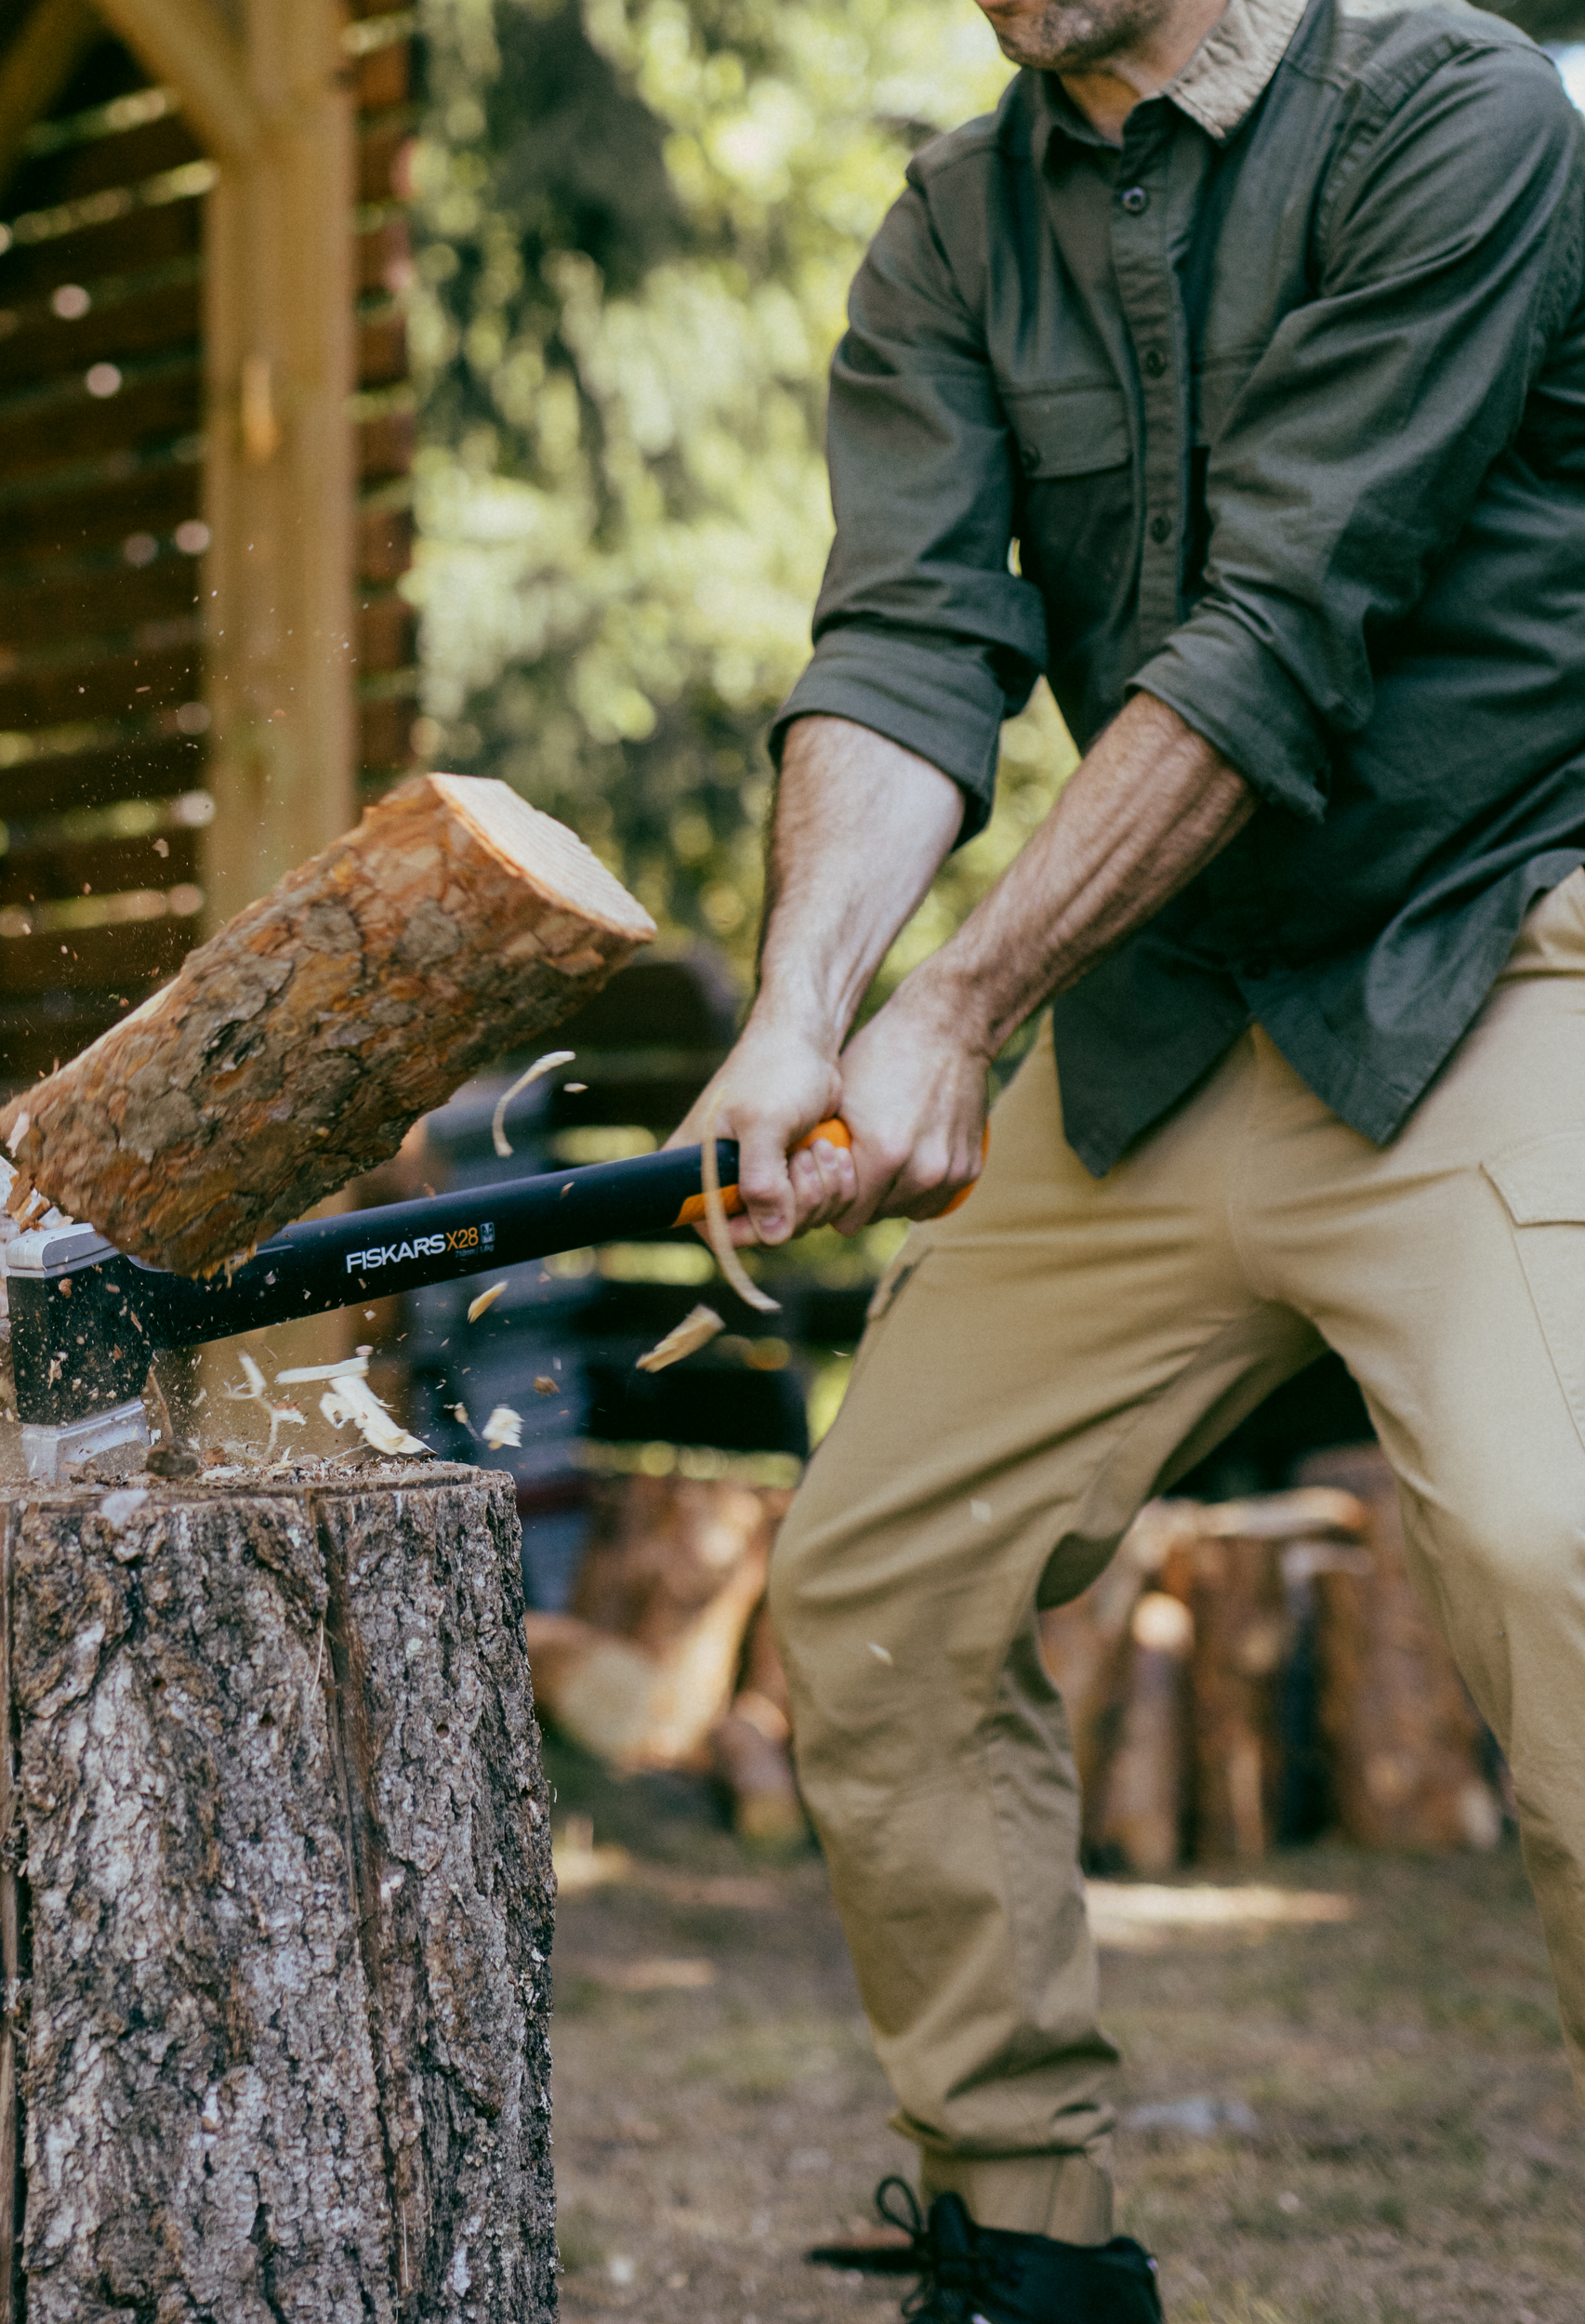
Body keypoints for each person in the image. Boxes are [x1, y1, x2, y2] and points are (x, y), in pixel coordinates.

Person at [677, 0, 1585, 2307]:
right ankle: (1030, 2246)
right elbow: (899, 647)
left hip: (1490, 958)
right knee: (880, 1586)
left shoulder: (1454, 113)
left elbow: (1280, 626)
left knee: (1561, 1542)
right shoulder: (948, 229)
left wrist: (958, 1004)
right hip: (1176, 1012)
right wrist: (797, 1022)